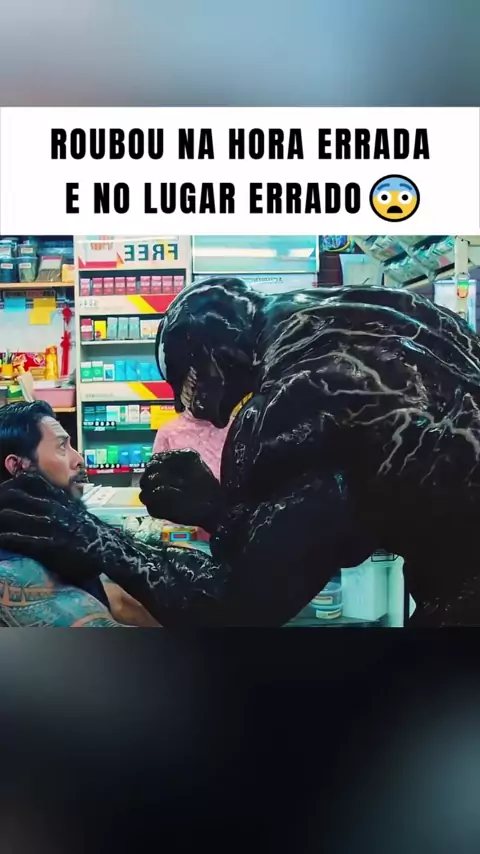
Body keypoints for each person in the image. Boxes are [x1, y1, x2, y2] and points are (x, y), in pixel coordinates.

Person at [2, 279, 480, 625]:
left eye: (185, 385)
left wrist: (94, 537)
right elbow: (332, 525)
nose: (189, 407)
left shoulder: (286, 407)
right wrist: (221, 510)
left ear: (207, 362)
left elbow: (236, 602)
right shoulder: (393, 310)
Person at [0, 401, 159, 627]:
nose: (79, 460)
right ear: (18, 466)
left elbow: (115, 599)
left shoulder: (53, 535)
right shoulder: (17, 568)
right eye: (61, 447)